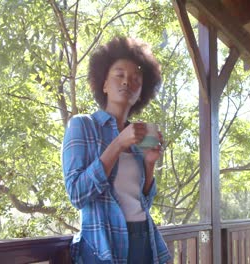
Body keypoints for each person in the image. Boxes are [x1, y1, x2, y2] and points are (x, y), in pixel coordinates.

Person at [62, 36, 171, 264]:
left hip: (144, 237)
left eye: (135, 79)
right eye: (119, 75)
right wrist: (118, 144)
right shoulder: (82, 125)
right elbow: (77, 194)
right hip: (104, 245)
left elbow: (144, 202)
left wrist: (149, 163)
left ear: (141, 92)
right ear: (103, 84)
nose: (126, 82)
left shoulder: (139, 136)